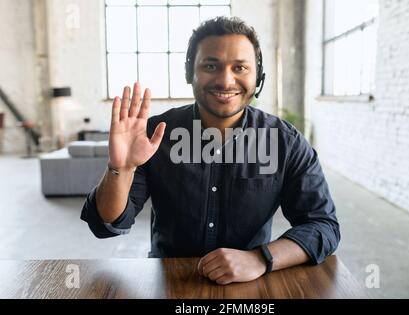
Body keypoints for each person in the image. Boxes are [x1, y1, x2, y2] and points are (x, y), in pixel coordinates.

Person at [81, 16, 340, 285]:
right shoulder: (154, 135)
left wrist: (260, 258)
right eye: (210, 66)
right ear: (189, 72)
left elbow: (323, 226)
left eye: (240, 67)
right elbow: (106, 225)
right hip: (170, 282)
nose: (226, 80)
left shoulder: (285, 142)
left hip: (250, 286)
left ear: (258, 75)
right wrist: (121, 169)